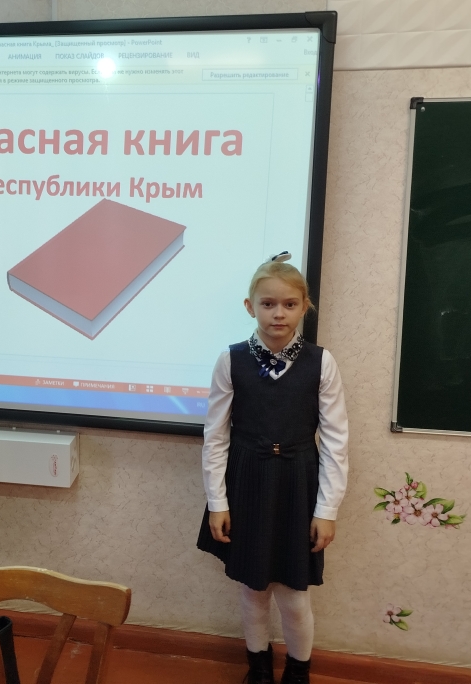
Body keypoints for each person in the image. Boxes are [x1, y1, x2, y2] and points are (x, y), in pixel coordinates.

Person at [196, 256, 350, 684]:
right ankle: (258, 669)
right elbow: (216, 437)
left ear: (304, 307)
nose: (278, 313)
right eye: (267, 304)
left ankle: (298, 672)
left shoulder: (322, 362)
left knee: (294, 596)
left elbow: (336, 441)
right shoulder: (230, 360)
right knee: (253, 590)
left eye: (289, 304)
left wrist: (327, 510)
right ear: (250, 307)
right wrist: (217, 502)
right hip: (247, 482)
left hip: (298, 484)